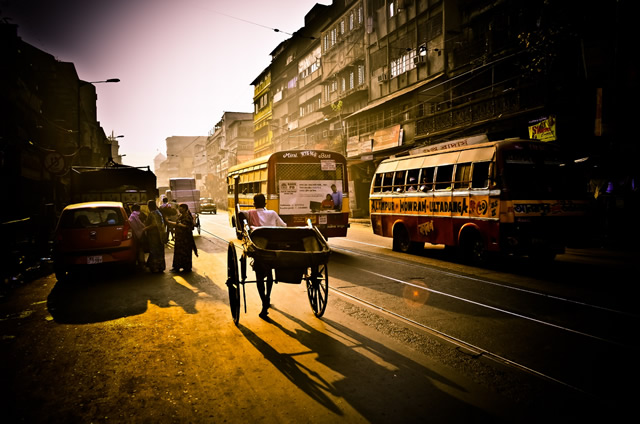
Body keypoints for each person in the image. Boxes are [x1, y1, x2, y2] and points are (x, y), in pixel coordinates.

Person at [247, 193, 286, 318]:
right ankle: (267, 297)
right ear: (265, 204)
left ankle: (264, 301)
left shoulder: (250, 214)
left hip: (259, 250)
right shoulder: (272, 213)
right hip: (273, 250)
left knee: (260, 278)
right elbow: (284, 226)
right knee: (269, 275)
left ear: (254, 204)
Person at [169, 203, 197, 272]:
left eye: (181, 208)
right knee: (178, 253)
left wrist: (177, 224)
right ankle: (177, 267)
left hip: (185, 239)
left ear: (184, 209)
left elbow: (186, 226)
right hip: (180, 238)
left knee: (185, 252)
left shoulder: (187, 217)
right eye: (179, 208)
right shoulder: (181, 216)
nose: (179, 210)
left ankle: (186, 268)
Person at [143, 200, 166, 273]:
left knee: (154, 251)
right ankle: (160, 267)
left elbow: (154, 224)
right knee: (160, 251)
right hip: (161, 235)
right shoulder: (158, 212)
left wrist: (145, 229)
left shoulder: (152, 213)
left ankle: (155, 267)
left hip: (154, 236)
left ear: (149, 206)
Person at [128, 203, 146, 267]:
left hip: (135, 235)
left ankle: (139, 261)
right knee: (141, 248)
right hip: (142, 233)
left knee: (137, 248)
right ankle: (142, 261)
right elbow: (144, 223)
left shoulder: (132, 216)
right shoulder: (141, 214)